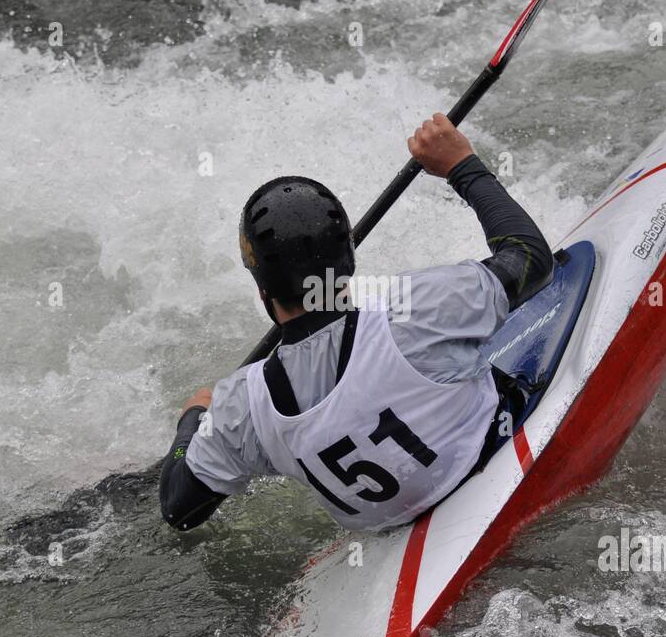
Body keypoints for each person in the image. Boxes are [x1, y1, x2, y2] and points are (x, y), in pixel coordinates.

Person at [159, 113, 553, 531]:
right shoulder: (416, 309)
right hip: (498, 458)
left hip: (396, 532)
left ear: (262, 291)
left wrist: (193, 422)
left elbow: (178, 507)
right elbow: (530, 259)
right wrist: (461, 165)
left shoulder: (242, 407)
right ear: (349, 259)